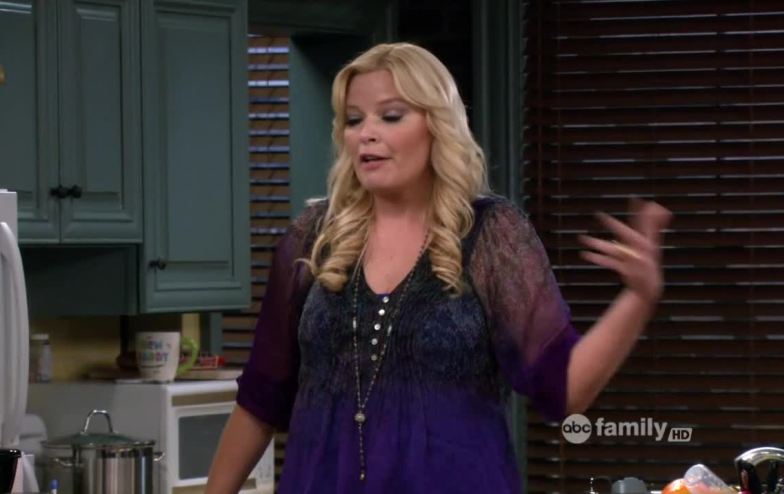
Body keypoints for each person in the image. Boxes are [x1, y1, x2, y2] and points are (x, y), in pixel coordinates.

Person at [205, 42, 672, 494]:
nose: (366, 133)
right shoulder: (313, 237)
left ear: (437, 125)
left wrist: (637, 298)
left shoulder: (491, 235)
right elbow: (259, 402)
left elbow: (563, 389)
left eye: (390, 116)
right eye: (353, 119)